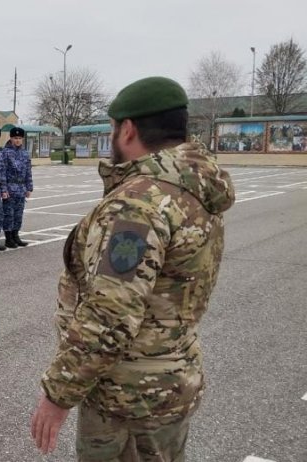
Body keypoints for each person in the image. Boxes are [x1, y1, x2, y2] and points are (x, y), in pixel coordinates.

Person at [30, 76, 236, 459]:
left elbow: (110, 314)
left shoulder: (139, 203)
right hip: (172, 380)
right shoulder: (195, 188)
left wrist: (57, 395)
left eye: (111, 128)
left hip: (127, 397)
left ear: (127, 128)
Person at [1, 127, 33, 248]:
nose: (18, 140)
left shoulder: (24, 153)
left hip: (21, 188)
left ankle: (16, 235)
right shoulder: (5, 152)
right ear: (11, 138)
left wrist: (29, 187)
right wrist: (4, 189)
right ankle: (8, 238)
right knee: (9, 214)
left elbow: (28, 171)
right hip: (10, 187)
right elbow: (2, 172)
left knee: (18, 214)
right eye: (15, 138)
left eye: (20, 138)